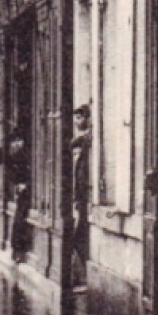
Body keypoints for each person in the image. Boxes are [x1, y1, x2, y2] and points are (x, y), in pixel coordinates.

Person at [69, 105, 92, 287]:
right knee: (79, 237)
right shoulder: (80, 140)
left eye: (79, 118)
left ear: (87, 118)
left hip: (87, 195)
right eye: (75, 118)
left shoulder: (89, 140)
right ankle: (82, 276)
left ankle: (84, 277)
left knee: (78, 237)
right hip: (80, 196)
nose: (77, 122)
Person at [3, 129, 33, 262]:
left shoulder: (27, 155)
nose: (17, 144)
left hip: (30, 191)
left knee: (20, 217)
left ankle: (18, 250)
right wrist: (18, 184)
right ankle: (17, 250)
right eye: (14, 141)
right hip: (22, 192)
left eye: (19, 141)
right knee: (19, 217)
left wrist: (27, 184)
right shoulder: (13, 157)